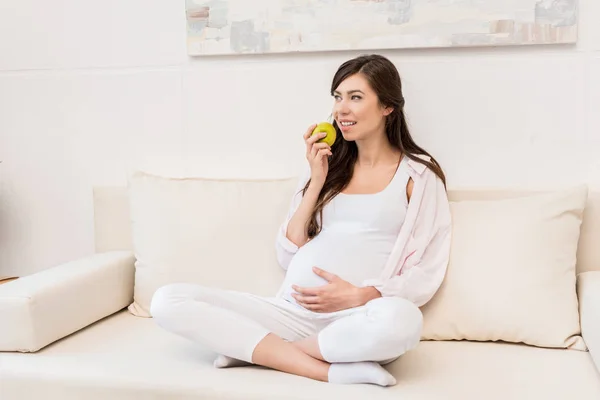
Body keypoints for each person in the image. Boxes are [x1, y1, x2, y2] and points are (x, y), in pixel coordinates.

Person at [150, 54, 452, 387]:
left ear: (387, 107)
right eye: (337, 97)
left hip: (358, 320)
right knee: (168, 300)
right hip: (291, 313)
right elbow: (288, 250)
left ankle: (265, 352)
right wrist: (317, 179)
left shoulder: (419, 174)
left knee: (404, 320)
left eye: (355, 97)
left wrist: (357, 295)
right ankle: (327, 370)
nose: (341, 109)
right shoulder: (326, 167)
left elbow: (426, 269)